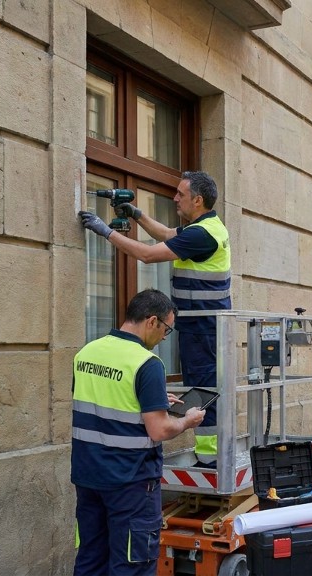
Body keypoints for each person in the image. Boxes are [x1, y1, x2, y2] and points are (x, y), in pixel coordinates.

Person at [79, 171, 230, 467]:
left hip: (203, 326)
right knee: (203, 386)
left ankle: (210, 460)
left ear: (197, 200)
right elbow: (165, 235)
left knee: (204, 388)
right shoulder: (206, 227)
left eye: (180, 194)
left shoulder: (201, 234)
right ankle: (209, 456)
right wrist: (136, 215)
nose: (175, 198)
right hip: (201, 325)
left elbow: (148, 255)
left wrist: (105, 231)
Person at [71, 289, 206, 576]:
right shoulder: (147, 363)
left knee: (90, 560)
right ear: (152, 321)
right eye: (167, 329)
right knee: (132, 565)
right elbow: (158, 430)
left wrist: (153, 399)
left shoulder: (86, 353)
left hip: (88, 476)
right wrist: (187, 421)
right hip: (130, 482)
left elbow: (103, 401)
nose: (165, 337)